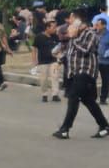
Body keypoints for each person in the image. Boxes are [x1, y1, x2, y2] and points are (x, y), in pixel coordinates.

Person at [52, 8, 109, 139]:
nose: (70, 24)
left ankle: (65, 129)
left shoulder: (91, 33)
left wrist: (73, 38)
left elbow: (86, 50)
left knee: (73, 97)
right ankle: (104, 125)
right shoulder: (76, 35)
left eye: (72, 20)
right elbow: (70, 52)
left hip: (85, 72)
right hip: (75, 72)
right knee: (88, 101)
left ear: (79, 21)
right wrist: (59, 61)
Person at [32, 17, 61, 103]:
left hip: (53, 60)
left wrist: (59, 57)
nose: (55, 29)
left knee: (55, 77)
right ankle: (44, 94)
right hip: (43, 61)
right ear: (47, 28)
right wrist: (34, 60)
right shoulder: (39, 37)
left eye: (55, 27)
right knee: (43, 79)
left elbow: (59, 47)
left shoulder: (55, 36)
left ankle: (55, 94)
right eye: (53, 27)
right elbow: (34, 49)